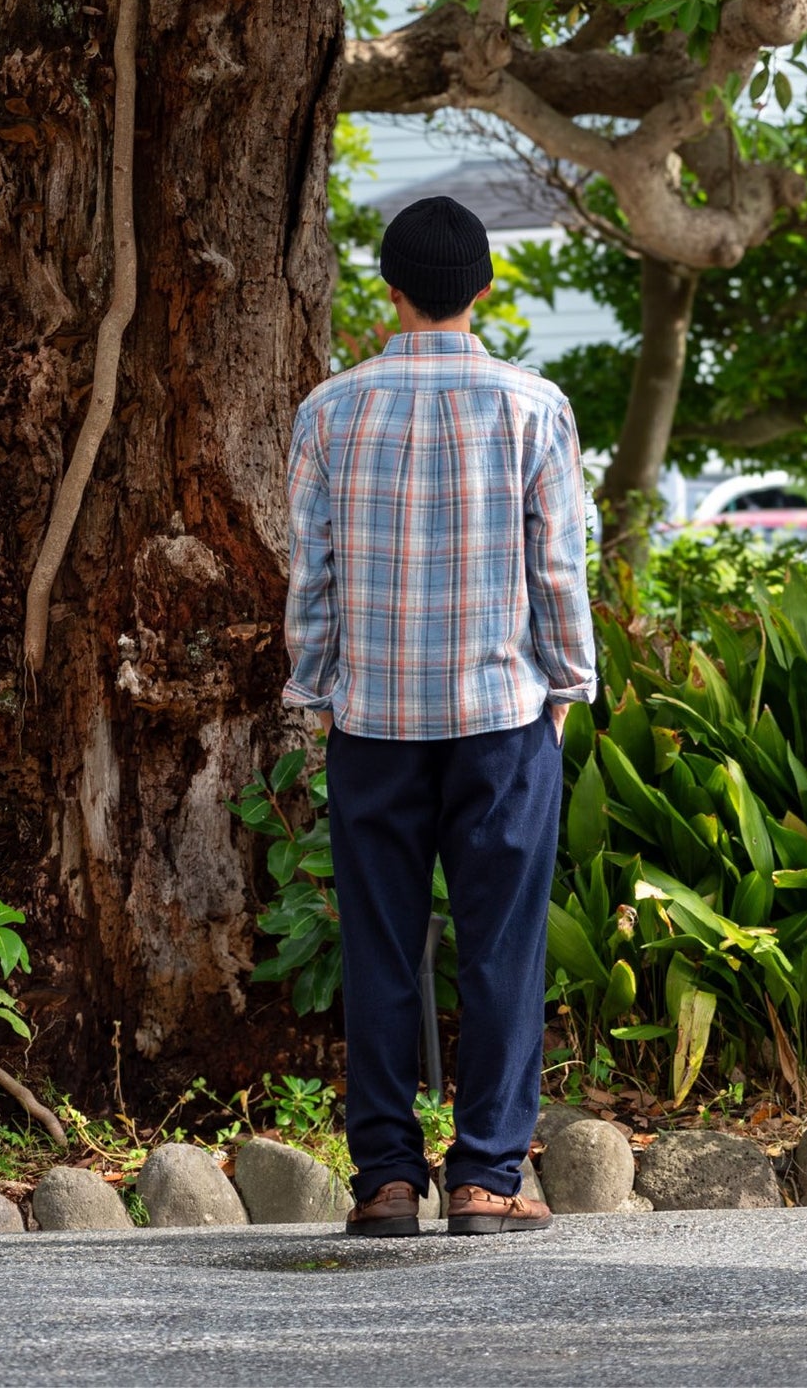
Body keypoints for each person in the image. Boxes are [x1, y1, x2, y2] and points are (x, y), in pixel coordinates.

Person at [282, 194, 596, 1238]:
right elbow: (555, 565)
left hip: (371, 720)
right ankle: (485, 1179)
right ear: (486, 287)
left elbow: (312, 579)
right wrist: (567, 684)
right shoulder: (530, 404)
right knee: (502, 944)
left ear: (388, 286)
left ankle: (383, 1180)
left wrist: (314, 690)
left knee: (379, 943)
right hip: (502, 714)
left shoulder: (329, 409)